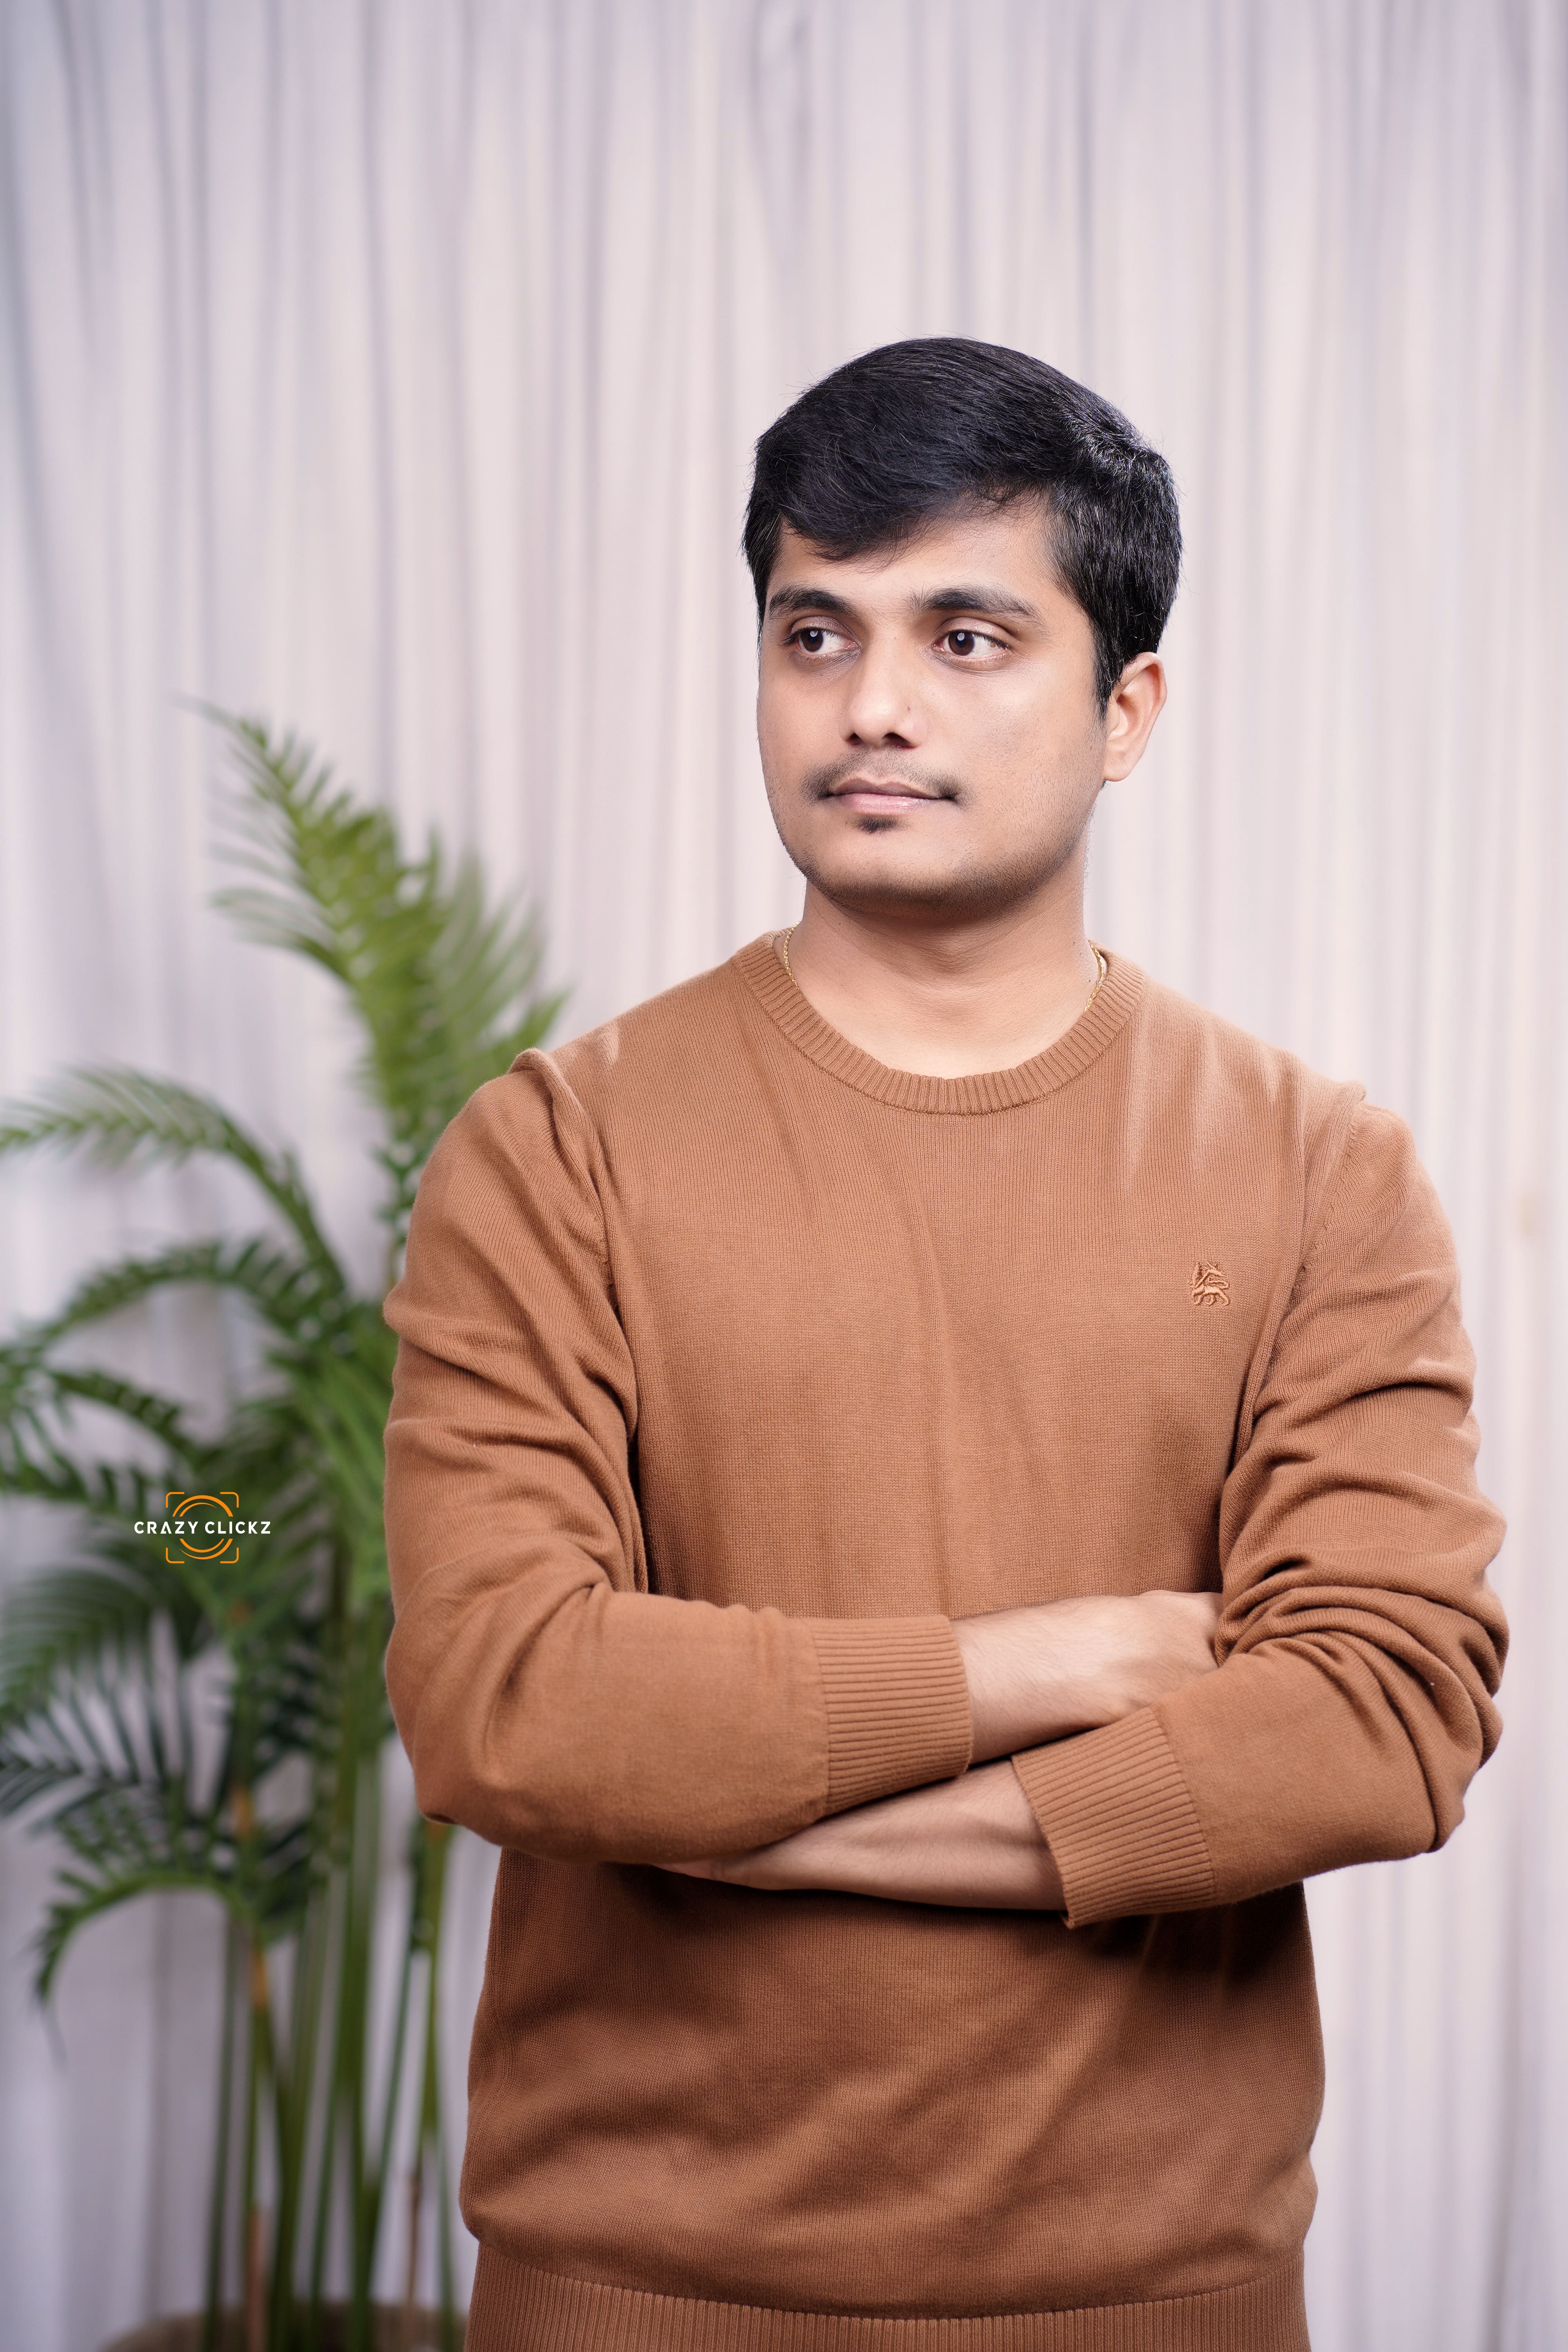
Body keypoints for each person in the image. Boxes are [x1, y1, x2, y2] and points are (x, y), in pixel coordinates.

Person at [382, 338, 1507, 2352]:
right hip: (635, 2288)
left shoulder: (1317, 1168)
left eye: (967, 636)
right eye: (813, 632)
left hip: (1152, 2293)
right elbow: (504, 1698)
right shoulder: (553, 1150)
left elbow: (1382, 1716)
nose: (872, 705)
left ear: (1125, 709)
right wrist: (1048, 1663)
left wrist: (753, 1824)